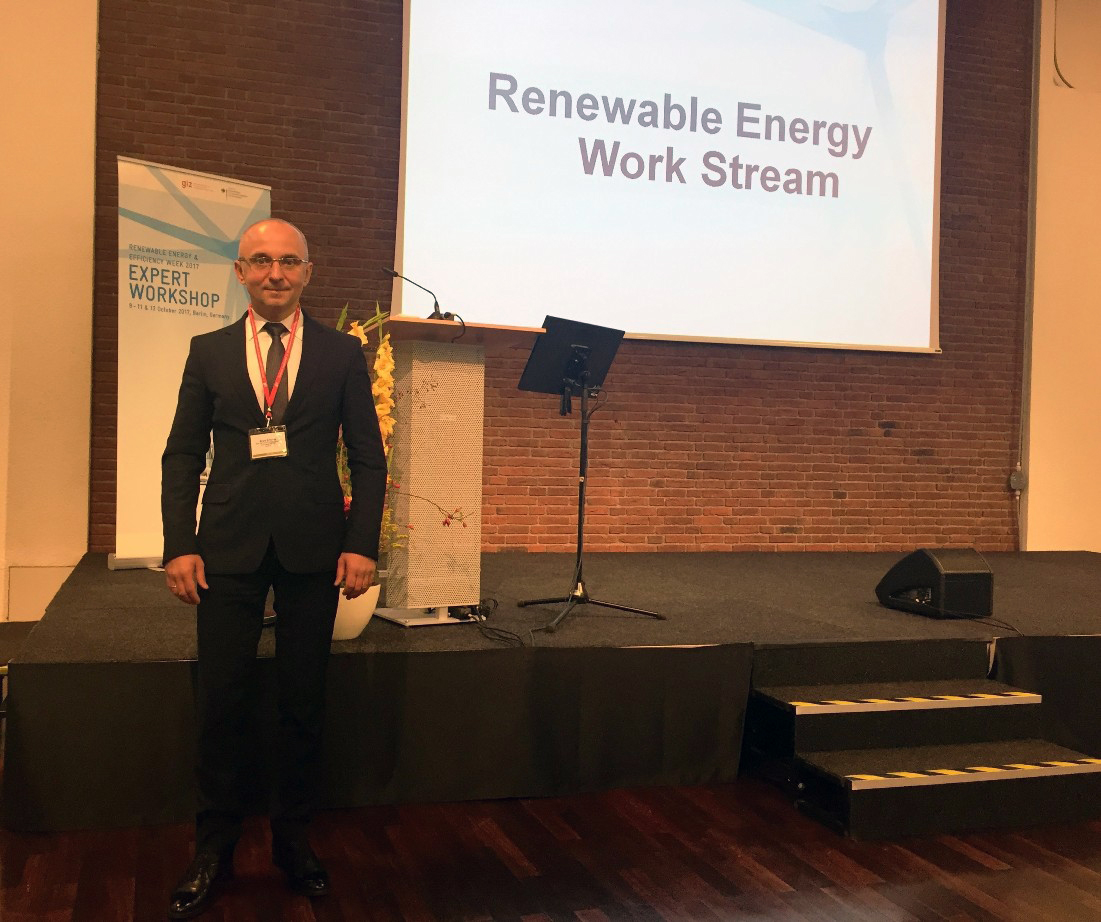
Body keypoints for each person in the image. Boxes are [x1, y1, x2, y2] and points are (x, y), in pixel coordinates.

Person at [161, 218, 387, 919]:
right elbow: (182, 453)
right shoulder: (207, 351)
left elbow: (369, 458)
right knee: (221, 702)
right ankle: (213, 849)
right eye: (260, 261)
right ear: (239, 272)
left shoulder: (341, 353)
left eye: (288, 261)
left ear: (307, 272)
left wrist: (362, 544)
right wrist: (179, 543)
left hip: (314, 548)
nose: (275, 273)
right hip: (225, 549)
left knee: (302, 702)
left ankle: (293, 843)